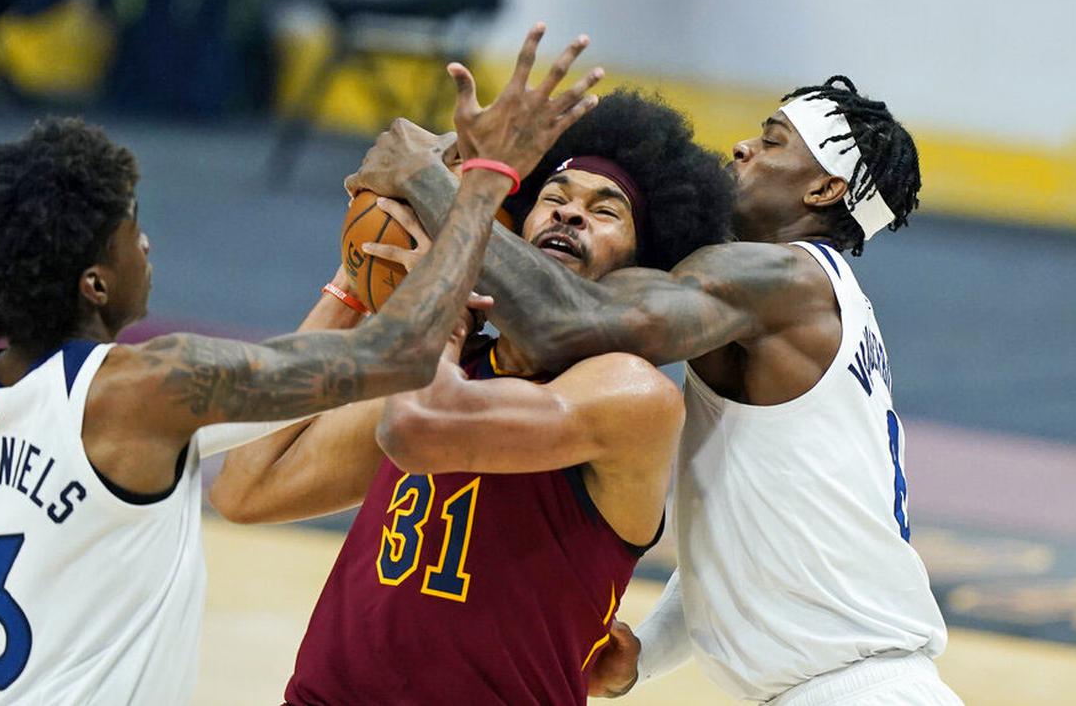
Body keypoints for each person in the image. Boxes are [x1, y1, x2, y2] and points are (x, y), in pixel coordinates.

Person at [0, 22, 600, 704]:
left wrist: (358, 267)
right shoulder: (150, 388)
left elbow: (273, 439)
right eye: (131, 230)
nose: (148, 244)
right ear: (94, 283)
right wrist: (485, 179)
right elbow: (398, 354)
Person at [346, 76, 961, 704]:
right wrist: (649, 651)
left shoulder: (777, 276)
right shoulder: (815, 305)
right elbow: (747, 532)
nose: (742, 148)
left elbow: (567, 323)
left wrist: (434, 185)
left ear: (825, 189)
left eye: (773, 142)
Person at [211, 89, 733, 704]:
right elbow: (244, 486)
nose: (568, 216)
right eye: (553, 200)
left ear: (643, 271)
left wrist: (439, 293)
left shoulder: (630, 393)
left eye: (604, 210)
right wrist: (355, 279)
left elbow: (422, 428)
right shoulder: (450, 368)